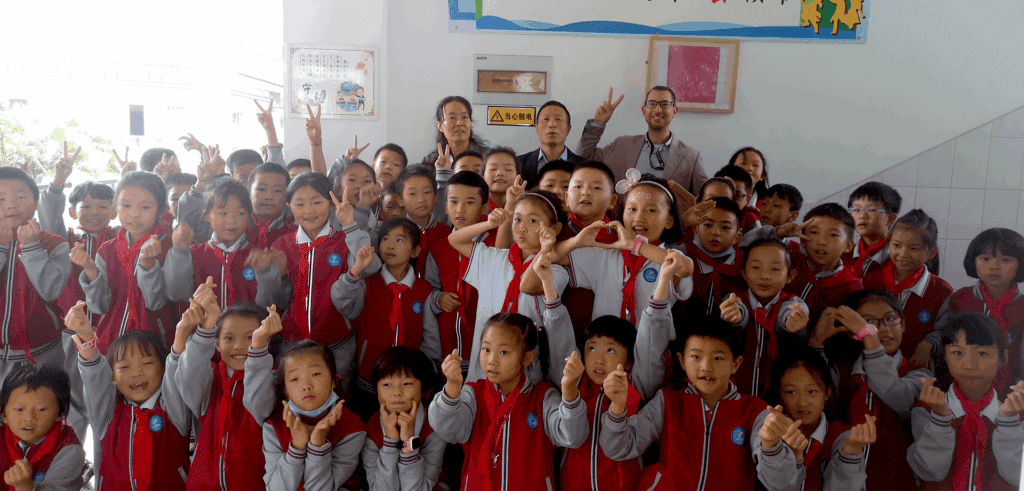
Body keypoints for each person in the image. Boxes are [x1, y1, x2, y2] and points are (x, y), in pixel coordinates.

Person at [560, 251, 688, 491]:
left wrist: (663, 282)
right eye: (591, 349)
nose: (598, 359)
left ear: (629, 362)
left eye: (610, 351)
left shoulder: (638, 386)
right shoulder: (575, 387)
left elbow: (652, 338)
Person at [598, 317, 767, 490]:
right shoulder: (667, 402)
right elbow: (619, 449)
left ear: (735, 364)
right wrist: (618, 408)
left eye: (717, 358)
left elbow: (779, 482)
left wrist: (773, 446)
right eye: (696, 356)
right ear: (682, 360)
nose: (706, 367)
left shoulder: (755, 412)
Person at [429, 312, 589, 491]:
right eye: (486, 349)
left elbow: (573, 437)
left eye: (503, 352)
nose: (492, 361)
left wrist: (570, 393)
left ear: (527, 357)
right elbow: (448, 429)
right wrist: (451, 388)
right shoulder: (474, 394)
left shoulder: (542, 397)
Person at [251, 171, 379, 395]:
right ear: (290, 206)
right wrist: (272, 274)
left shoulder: (342, 240)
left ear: (330, 204)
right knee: (294, 401)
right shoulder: (283, 245)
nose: (309, 211)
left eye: (317, 202)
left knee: (338, 399)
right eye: (300, 204)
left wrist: (349, 225)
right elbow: (274, 301)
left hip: (338, 344)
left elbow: (370, 266)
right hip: (292, 343)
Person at [448, 192, 570, 383]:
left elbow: (527, 285)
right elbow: (455, 239)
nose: (522, 228)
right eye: (517, 219)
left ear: (554, 228)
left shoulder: (555, 271)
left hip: (528, 370)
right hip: (485, 367)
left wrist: (546, 249)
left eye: (532, 221)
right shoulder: (496, 258)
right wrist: (490, 224)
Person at [67, 305, 191, 490]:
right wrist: (86, 339)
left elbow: (176, 373)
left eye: (147, 363)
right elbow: (94, 381)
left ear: (163, 368)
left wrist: (181, 336)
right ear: (112, 377)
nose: (136, 373)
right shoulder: (106, 415)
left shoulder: (173, 409)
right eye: (124, 367)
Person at [335, 220, 441, 421]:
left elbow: (430, 337)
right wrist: (355, 271)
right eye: (385, 239)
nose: (390, 246)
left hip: (408, 385)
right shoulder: (367, 284)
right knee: (370, 431)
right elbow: (342, 303)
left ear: (415, 251)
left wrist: (430, 373)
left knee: (405, 431)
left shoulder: (423, 289)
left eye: (399, 240)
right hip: (368, 380)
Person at [907, 313, 1024, 490]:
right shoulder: (926, 408)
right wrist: (940, 420)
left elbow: (1016, 477)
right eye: (957, 352)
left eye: (982, 353)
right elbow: (929, 472)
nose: (969, 365)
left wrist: (1009, 423)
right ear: (945, 357)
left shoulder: (1017, 414)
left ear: (1003, 358)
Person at [73, 171, 179, 352]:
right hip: (113, 341)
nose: (134, 215)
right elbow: (99, 306)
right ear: (116, 208)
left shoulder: (170, 247)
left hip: (155, 343)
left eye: (145, 207)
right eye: (126, 205)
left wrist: (148, 267)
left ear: (161, 209)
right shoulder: (107, 250)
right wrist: (91, 270)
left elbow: (155, 304)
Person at [174, 292, 268, 491]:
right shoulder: (211, 378)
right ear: (216, 344)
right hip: (203, 484)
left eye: (250, 337)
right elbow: (188, 380)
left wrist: (258, 358)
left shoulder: (272, 378)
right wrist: (206, 327)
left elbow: (262, 408)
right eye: (229, 338)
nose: (239, 346)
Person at [752, 345, 873, 491]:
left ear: (827, 392)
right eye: (791, 392)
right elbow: (777, 487)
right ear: (779, 394)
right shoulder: (769, 432)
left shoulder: (842, 437)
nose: (802, 402)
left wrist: (849, 455)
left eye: (812, 391)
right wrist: (772, 446)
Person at [924, 228, 1024, 389]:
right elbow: (941, 339)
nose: (995, 267)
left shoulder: (1021, 306)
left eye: (1006, 260)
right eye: (985, 258)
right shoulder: (959, 299)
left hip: (1010, 393)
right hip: (957, 389)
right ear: (973, 261)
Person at [260, 340, 367, 490]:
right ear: (285, 389)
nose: (306, 386)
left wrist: (318, 444)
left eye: (316, 374)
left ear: (334, 380)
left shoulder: (353, 428)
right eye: (294, 379)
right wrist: (296, 447)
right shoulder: (273, 427)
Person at [424, 171, 496, 376]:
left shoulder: (495, 246)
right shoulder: (438, 248)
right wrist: (438, 298)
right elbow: (429, 289)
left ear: (484, 208)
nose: (460, 209)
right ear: (446, 206)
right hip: (447, 347)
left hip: (484, 345)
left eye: (470, 202)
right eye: (453, 202)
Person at [576, 87, 707, 198]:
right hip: (620, 225)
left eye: (664, 104)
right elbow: (582, 159)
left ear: (674, 111)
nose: (658, 109)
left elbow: (703, 201)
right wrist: (598, 124)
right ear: (644, 110)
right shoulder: (621, 145)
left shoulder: (691, 157)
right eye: (652, 103)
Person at [862, 210, 952, 367]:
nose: (903, 254)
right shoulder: (869, 283)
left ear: (931, 253)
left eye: (914, 248)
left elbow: (946, 330)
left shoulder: (942, 292)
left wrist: (928, 344)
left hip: (916, 372)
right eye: (897, 245)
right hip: (871, 367)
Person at [719, 238, 809, 397]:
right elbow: (739, 314)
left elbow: (789, 313)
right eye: (755, 267)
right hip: (734, 392)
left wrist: (792, 323)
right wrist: (734, 319)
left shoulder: (792, 303)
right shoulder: (735, 301)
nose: (765, 276)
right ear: (744, 274)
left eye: (775, 269)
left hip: (779, 395)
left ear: (790, 276)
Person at [361, 347, 446, 491]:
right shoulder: (373, 426)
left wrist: (410, 444)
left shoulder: (434, 424)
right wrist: (389, 443)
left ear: (424, 389)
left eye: (407, 384)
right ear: (376, 391)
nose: (396, 392)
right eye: (387, 385)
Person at [164, 178, 259, 308]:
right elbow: (176, 295)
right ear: (207, 215)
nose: (232, 220)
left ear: (249, 216)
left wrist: (266, 272)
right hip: (201, 328)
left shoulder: (256, 255)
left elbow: (268, 303)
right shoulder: (192, 254)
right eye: (223, 213)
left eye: (241, 213)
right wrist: (179, 251)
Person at [0, 364, 83, 491]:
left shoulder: (69, 449)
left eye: (41, 409)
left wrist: (26, 487)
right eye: (19, 409)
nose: (29, 418)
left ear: (61, 413)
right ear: (3, 414)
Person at [683, 197, 747, 318]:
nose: (715, 232)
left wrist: (739, 315)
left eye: (725, 227)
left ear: (737, 238)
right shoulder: (683, 254)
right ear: (696, 231)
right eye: (708, 225)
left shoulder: (745, 266)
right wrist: (682, 221)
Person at [395, 166, 450, 278]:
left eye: (427, 192)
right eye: (412, 194)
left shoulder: (447, 233)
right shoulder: (394, 233)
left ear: (436, 197)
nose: (421, 199)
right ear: (400, 200)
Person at [518, 100, 585, 188]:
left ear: (568, 129)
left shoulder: (584, 167)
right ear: (536, 128)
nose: (552, 124)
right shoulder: (518, 164)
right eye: (546, 119)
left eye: (558, 119)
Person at [844, 181, 902, 277]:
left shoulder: (899, 258)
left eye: (871, 210)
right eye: (857, 210)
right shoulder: (844, 254)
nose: (862, 216)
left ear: (890, 218)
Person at [420, 96, 489, 169]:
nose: (459, 123)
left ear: (470, 123)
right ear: (440, 126)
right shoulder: (430, 162)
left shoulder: (486, 158)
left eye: (464, 117)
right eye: (452, 117)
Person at [559, 161, 619, 244]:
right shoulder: (556, 236)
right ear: (567, 198)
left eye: (596, 188)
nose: (585, 192)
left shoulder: (620, 238)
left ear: (612, 201)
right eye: (578, 186)